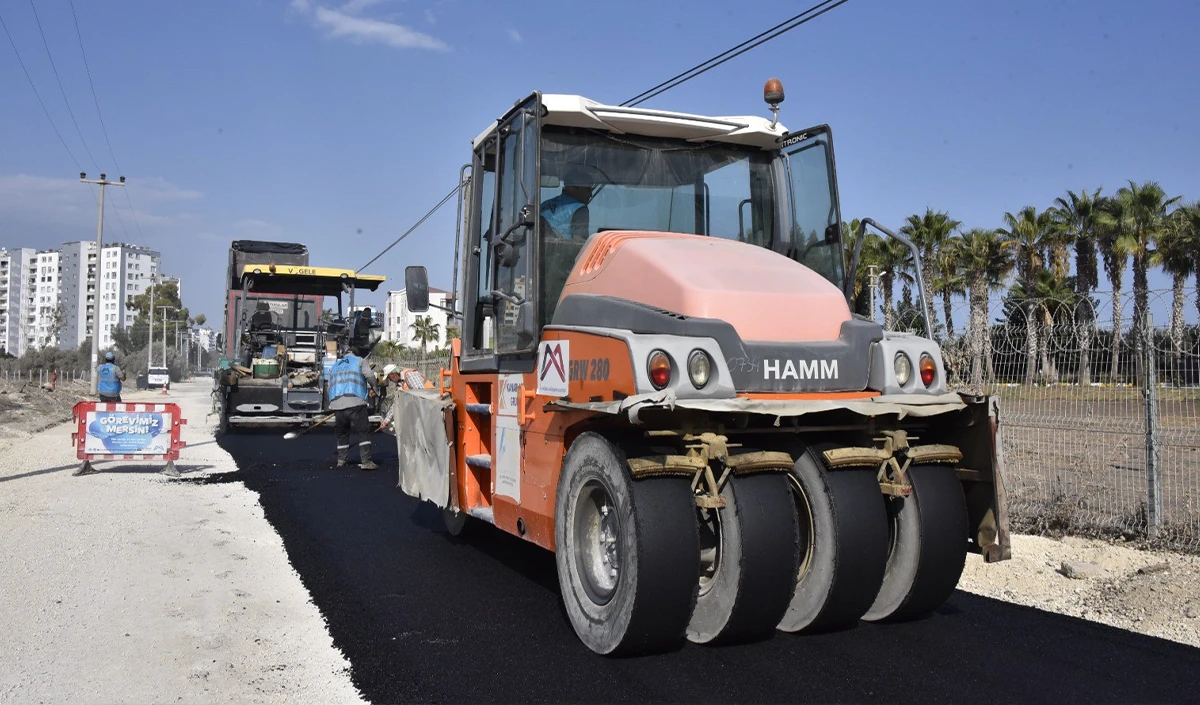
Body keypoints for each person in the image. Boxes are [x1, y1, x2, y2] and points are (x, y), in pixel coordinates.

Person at [327, 343, 380, 470]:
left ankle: (341, 460)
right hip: (356, 402)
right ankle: (366, 462)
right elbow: (370, 376)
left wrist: (335, 403)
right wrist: (375, 389)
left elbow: (329, 386)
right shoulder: (360, 361)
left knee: (342, 434)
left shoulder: (335, 365)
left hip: (337, 404)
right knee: (363, 431)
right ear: (356, 354)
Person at [540, 167, 594, 240]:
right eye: (588, 189)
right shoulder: (580, 209)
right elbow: (579, 244)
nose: (590, 195)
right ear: (574, 188)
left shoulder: (543, 205)